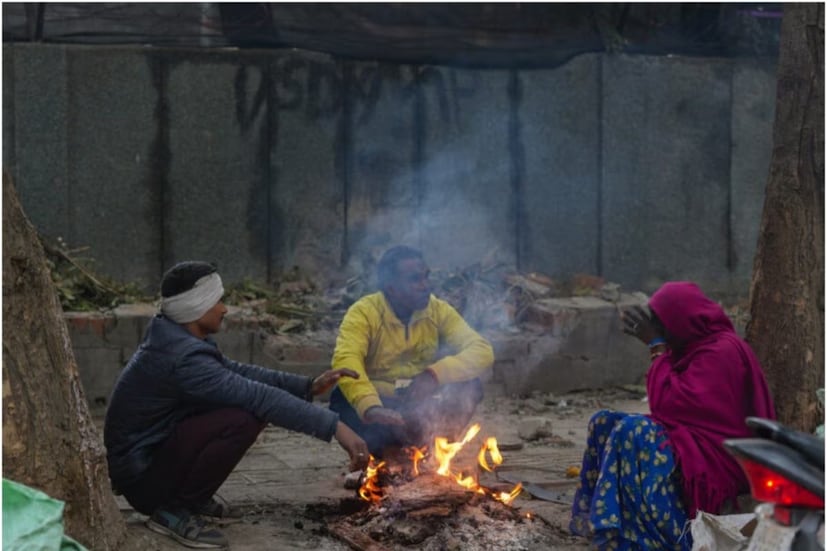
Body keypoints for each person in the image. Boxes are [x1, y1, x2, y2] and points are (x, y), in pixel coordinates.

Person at [104, 261, 369, 550]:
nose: (225, 309)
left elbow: (238, 373)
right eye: (218, 300)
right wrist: (337, 428)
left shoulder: (177, 339)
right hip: (143, 480)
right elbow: (258, 396)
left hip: (147, 463)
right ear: (197, 306)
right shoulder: (183, 358)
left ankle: (190, 498)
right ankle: (172, 510)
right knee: (242, 417)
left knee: (243, 409)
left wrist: (307, 386)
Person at [569, 281, 776, 550]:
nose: (660, 333)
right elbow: (671, 411)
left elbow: (670, 404)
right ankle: (602, 524)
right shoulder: (690, 347)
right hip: (690, 440)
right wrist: (659, 345)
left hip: (717, 458)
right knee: (603, 421)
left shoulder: (721, 351)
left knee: (633, 431)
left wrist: (656, 347)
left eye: (661, 326)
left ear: (681, 321)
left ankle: (666, 536)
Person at [329, 245, 495, 459]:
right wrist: (370, 407)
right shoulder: (363, 312)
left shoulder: (437, 310)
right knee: (341, 396)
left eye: (426, 277)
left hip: (421, 404)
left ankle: (429, 448)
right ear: (391, 288)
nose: (425, 286)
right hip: (380, 406)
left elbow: (482, 351)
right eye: (415, 280)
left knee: (470, 385)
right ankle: (384, 455)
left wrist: (433, 375)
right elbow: (346, 360)